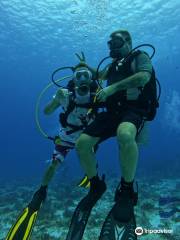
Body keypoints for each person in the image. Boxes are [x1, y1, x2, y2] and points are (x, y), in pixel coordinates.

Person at [70, 29, 158, 239]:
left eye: (116, 41)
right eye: (109, 43)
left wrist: (113, 88)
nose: (111, 46)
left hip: (133, 109)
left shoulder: (139, 56)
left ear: (128, 41)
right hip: (112, 111)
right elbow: (100, 76)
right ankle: (96, 184)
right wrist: (86, 67)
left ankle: (126, 190)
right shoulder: (113, 65)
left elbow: (144, 77)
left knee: (125, 135)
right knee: (81, 144)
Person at [5, 55, 100, 240]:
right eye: (78, 75)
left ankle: (91, 176)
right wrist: (56, 99)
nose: (82, 79)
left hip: (85, 139)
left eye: (85, 74)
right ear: (73, 78)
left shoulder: (98, 94)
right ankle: (41, 191)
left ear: (91, 77)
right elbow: (47, 111)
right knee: (53, 164)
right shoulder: (65, 95)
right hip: (65, 138)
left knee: (88, 155)